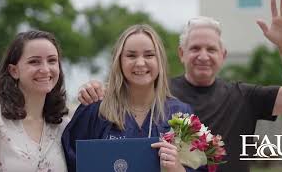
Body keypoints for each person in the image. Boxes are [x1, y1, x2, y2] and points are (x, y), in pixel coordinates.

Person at [77, 0, 282, 172]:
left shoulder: (243, 96)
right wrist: (96, 89)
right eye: (195, 48)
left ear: (224, 55)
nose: (203, 55)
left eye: (211, 49)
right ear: (181, 53)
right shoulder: (159, 95)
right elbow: (121, 93)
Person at [61, 24, 202, 172]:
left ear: (160, 60)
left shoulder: (180, 114)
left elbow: (199, 168)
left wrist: (178, 169)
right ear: (119, 61)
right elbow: (70, 162)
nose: (140, 63)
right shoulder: (96, 108)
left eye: (149, 55)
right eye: (131, 55)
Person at [0, 30, 69, 171]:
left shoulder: (63, 125)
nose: (45, 69)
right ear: (14, 71)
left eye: (52, 60)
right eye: (34, 61)